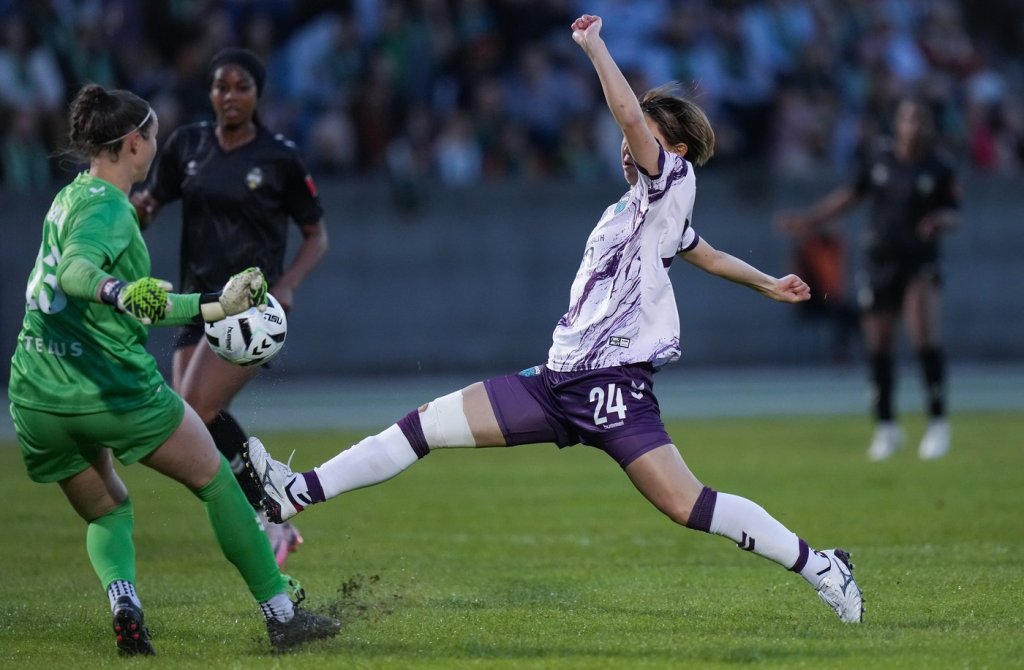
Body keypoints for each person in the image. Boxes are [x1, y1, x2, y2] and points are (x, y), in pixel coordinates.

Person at [244, 14, 864, 625]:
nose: (628, 142)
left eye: (644, 134)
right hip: (556, 382)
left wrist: (595, 49)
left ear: (673, 150)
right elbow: (705, 252)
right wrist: (767, 282)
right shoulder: (636, 208)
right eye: (631, 135)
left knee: (688, 504)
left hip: (612, 386)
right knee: (424, 425)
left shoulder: (673, 179)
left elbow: (629, 119)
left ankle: (823, 567)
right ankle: (296, 492)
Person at [7, 83, 340, 656]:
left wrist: (202, 304)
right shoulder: (110, 208)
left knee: (107, 508)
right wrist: (139, 294)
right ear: (135, 142)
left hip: (36, 394)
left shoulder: (69, 197)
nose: (158, 145)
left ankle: (124, 600)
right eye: (154, 135)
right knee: (217, 482)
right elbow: (77, 273)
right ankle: (282, 614)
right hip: (111, 390)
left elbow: (132, 297)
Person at [131, 48, 329, 566]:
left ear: (258, 94)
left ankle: (267, 514)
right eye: (222, 86)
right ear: (211, 92)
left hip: (251, 307)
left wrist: (288, 285)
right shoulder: (188, 145)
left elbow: (317, 235)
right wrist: (137, 211)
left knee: (196, 410)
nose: (231, 96)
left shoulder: (279, 157)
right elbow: (152, 202)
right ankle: (270, 507)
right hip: (196, 301)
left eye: (242, 87)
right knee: (194, 418)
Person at [775, 98, 961, 461]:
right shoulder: (881, 160)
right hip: (880, 261)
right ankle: (886, 426)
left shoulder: (940, 167)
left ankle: (938, 422)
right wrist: (811, 220)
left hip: (920, 262)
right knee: (879, 344)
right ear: (898, 123)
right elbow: (849, 197)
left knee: (923, 335)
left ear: (929, 126)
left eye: (920, 119)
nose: (914, 126)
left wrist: (940, 220)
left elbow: (955, 214)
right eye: (908, 118)